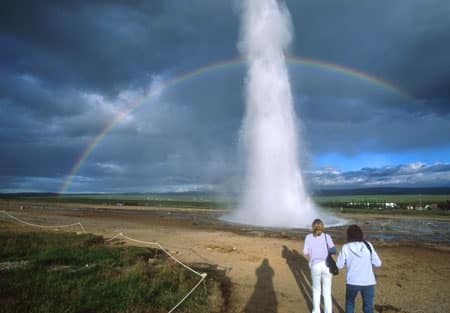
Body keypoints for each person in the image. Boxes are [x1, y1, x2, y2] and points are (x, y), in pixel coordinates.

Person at [336, 225, 382, 313]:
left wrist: (348, 262)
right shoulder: (368, 245)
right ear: (361, 234)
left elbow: (339, 265)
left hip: (352, 281)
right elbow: (378, 263)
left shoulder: (346, 247)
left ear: (348, 235)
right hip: (368, 281)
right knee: (368, 307)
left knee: (350, 303)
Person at [303, 218, 337, 313]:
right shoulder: (327, 236)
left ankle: (316, 311)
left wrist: (313, 251)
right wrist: (325, 251)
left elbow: (305, 252)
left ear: (313, 227)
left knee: (316, 290)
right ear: (322, 227)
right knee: (327, 292)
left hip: (315, 265)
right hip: (327, 265)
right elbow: (334, 250)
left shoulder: (308, 237)